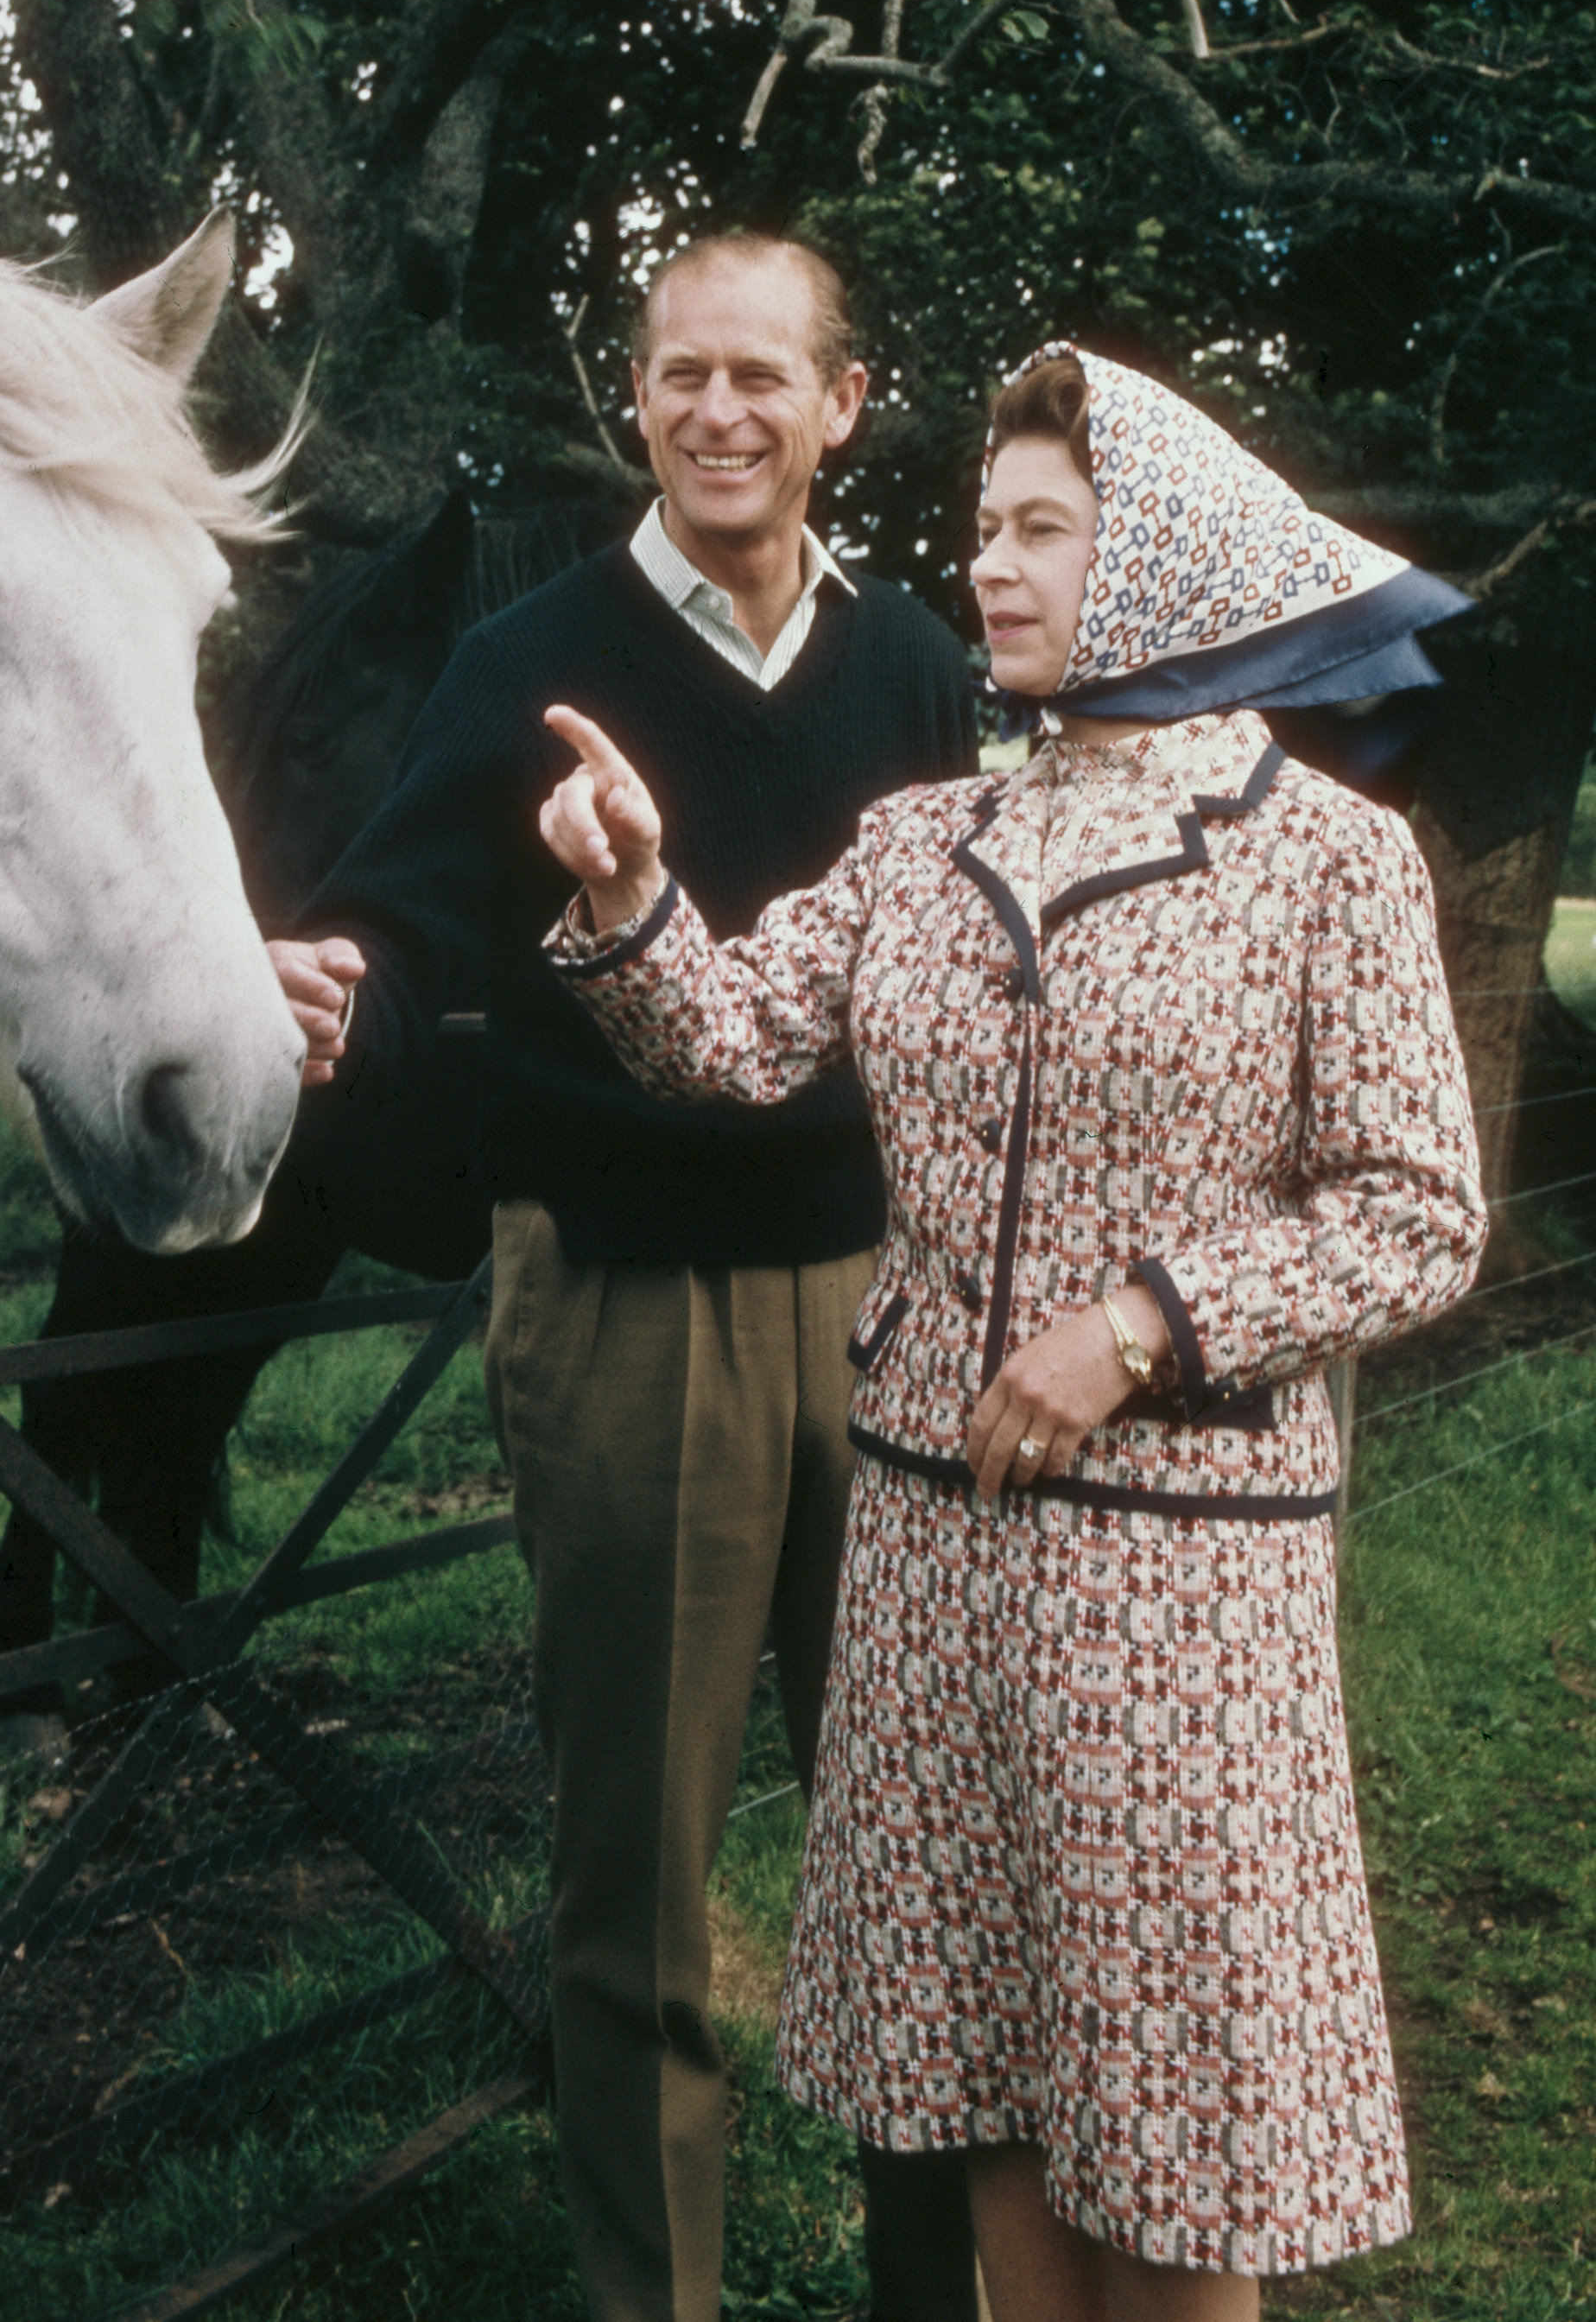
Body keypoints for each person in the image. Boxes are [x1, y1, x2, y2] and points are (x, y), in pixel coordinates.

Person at [529, 342, 1484, 2321]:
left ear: (1166, 558)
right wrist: (630, 895)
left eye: (1045, 529)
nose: (993, 568)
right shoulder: (915, 837)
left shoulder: (1324, 858)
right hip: (927, 1558)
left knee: (1174, 2120)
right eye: (980, 529)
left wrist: (1138, 1321)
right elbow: (725, 1039)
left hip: (1179, 1586)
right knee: (982, 2086)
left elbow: (1415, 1216)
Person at [268, 233, 980, 2322]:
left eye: (762, 376)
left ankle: (924, 2290)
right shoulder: (531, 659)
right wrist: (334, 992)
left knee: (909, 1863)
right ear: (638, 401)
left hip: (882, 1306)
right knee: (636, 1883)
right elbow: (398, 931)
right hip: (628, 1312)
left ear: (843, 404)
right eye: (679, 375)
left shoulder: (919, 663)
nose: (717, 413)